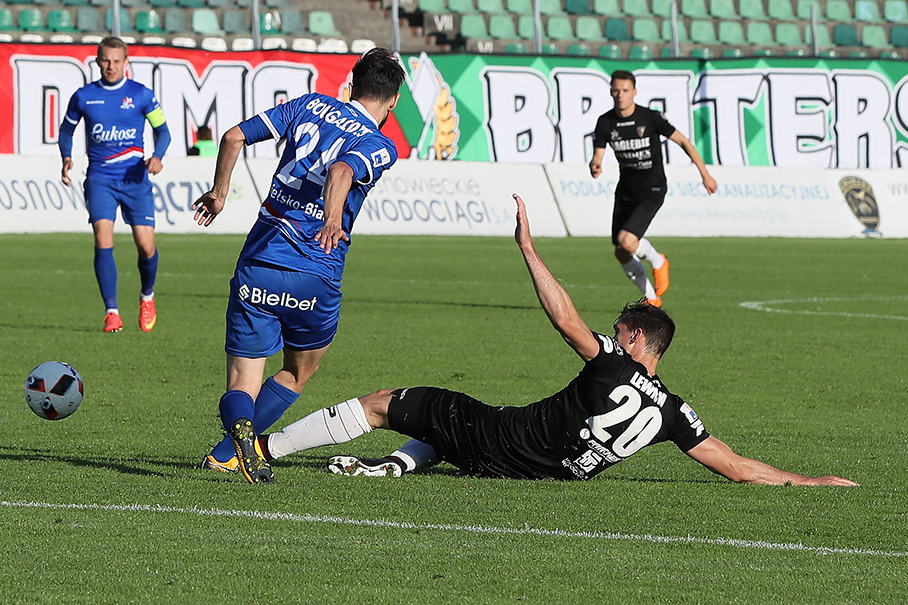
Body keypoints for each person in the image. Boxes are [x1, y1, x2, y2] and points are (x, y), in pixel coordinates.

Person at [255, 195, 857, 488]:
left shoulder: (614, 363)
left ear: (636, 336)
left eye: (619, 328)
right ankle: (393, 466)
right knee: (443, 425)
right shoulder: (674, 413)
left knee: (385, 402)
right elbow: (734, 466)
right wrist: (811, 482)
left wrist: (528, 249)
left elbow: (566, 320)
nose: (612, 333)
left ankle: (263, 449)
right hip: (534, 471)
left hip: (499, 440)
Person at [191, 47, 405, 484]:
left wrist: (219, 192)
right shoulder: (380, 144)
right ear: (393, 101)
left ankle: (237, 435)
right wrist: (331, 219)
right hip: (315, 272)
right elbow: (342, 171)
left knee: (242, 382)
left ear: (351, 83)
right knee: (298, 370)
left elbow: (232, 136)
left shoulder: (309, 105)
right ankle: (227, 453)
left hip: (259, 262)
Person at [59, 36, 171, 333]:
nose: (111, 66)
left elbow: (164, 131)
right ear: (98, 62)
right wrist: (66, 157)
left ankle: (147, 296)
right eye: (106, 61)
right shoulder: (84, 96)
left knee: (146, 246)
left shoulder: (141, 95)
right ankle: (111, 311)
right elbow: (66, 130)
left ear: (126, 62)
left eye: (116, 61)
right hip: (100, 178)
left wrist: (157, 157)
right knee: (102, 238)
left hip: (135, 178)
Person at [589, 70, 716, 307]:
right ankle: (652, 298)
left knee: (627, 241)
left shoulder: (649, 118)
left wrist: (705, 174)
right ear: (611, 92)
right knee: (621, 251)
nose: (620, 95)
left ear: (634, 92)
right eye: (616, 90)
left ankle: (659, 261)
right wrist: (595, 165)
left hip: (652, 188)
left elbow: (684, 142)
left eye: (625, 90)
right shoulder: (605, 122)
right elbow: (598, 155)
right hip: (625, 191)